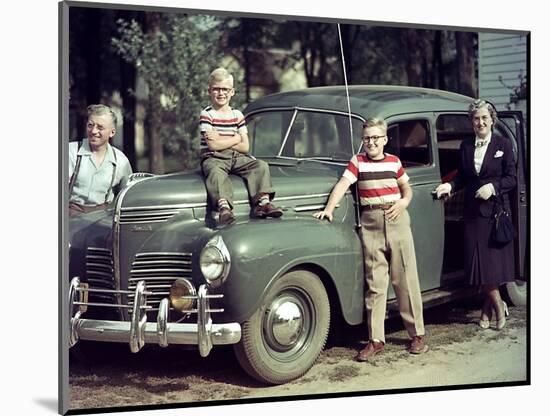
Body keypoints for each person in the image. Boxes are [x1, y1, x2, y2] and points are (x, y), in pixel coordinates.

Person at [314, 117, 428, 362]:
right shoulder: (358, 162)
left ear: (385, 139)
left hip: (396, 219)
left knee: (405, 279)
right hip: (371, 223)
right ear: (362, 140)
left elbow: (407, 189)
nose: (371, 142)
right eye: (367, 138)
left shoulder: (394, 162)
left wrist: (403, 202)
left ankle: (417, 335)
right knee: (375, 284)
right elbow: (342, 185)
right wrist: (330, 209)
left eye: (376, 138)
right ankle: (376, 339)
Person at [435, 99, 516, 330]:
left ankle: (487, 310)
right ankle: (498, 305)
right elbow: (463, 175)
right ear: (471, 122)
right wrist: (450, 186)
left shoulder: (503, 144)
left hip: (495, 213)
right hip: (472, 213)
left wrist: (492, 188)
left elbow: (511, 178)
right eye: (476, 119)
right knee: (478, 265)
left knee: (492, 265)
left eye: (484, 118)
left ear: (492, 120)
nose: (480, 122)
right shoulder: (466, 145)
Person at [199, 67, 282, 225]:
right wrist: (236, 137)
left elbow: (245, 147)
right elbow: (213, 145)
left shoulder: (237, 115)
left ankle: (262, 203)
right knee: (215, 173)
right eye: (216, 89)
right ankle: (224, 207)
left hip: (237, 157)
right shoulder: (207, 114)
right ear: (209, 91)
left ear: (232, 92)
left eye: (225, 89)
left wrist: (222, 138)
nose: (221, 93)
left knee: (260, 166)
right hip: (214, 158)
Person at [69, 104, 133, 216]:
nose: (93, 131)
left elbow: (127, 197)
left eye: (100, 127)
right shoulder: (70, 152)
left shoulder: (120, 161)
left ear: (112, 132)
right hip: (69, 217)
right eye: (90, 125)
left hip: (102, 220)